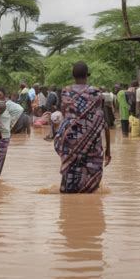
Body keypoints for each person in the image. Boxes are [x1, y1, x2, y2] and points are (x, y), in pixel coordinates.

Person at [54, 61, 111, 194]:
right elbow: (103, 121)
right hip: (92, 143)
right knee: (92, 174)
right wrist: (108, 150)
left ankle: (68, 208)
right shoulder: (97, 93)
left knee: (70, 173)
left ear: (73, 75)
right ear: (87, 75)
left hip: (70, 142)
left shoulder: (65, 92)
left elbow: (65, 116)